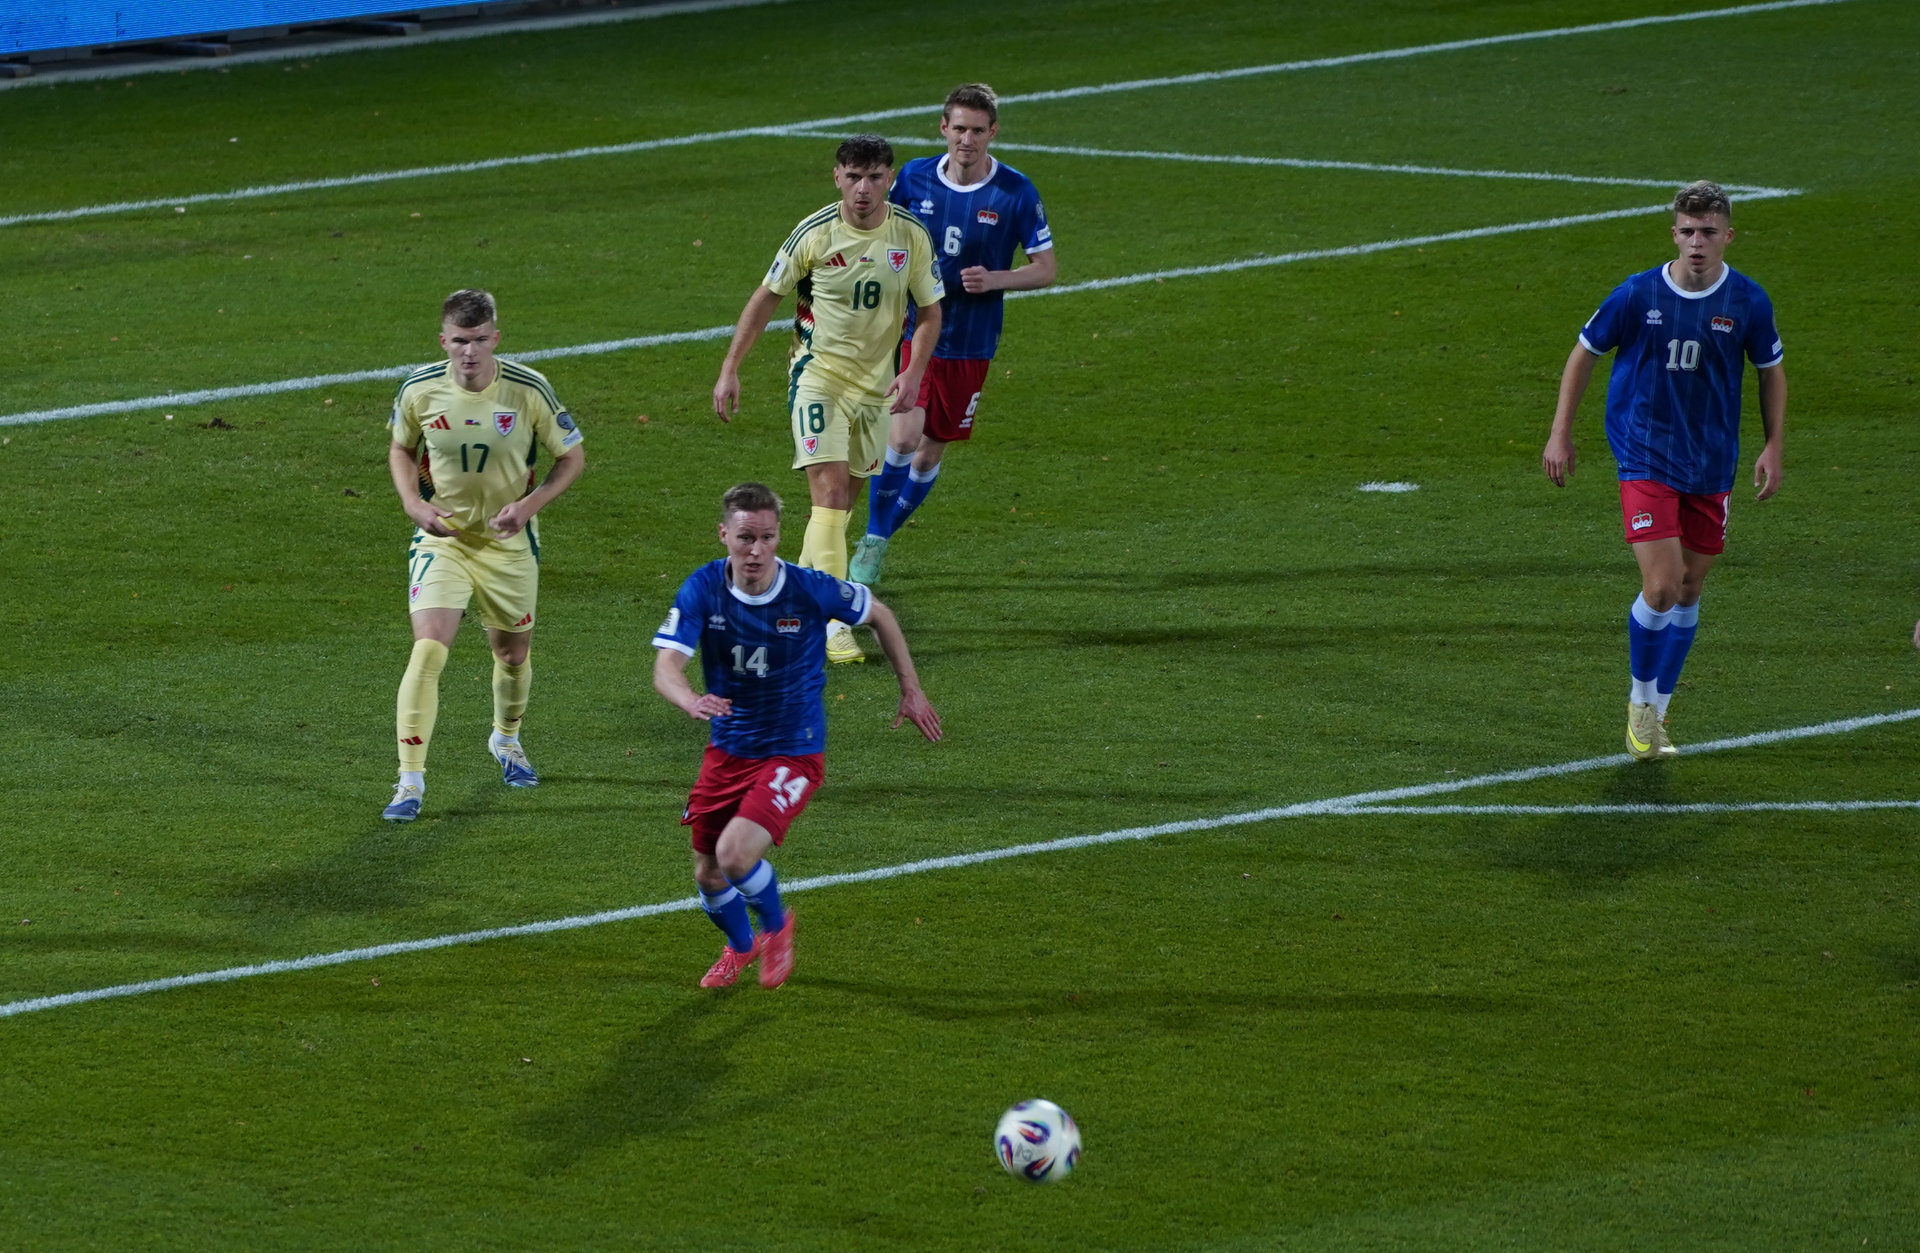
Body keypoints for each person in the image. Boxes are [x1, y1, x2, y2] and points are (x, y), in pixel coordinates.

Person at [652, 482, 943, 988]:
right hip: (728, 749)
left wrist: (910, 689)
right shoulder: (702, 589)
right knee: (707, 873)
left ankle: (777, 925)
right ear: (724, 535)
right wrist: (690, 699)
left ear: (778, 536)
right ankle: (741, 948)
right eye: (745, 538)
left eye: (766, 537)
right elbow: (666, 667)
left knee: (735, 854)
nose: (756, 550)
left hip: (793, 749)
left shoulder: (808, 588)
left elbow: (880, 615)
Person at [1542, 180, 1785, 759]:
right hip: (1645, 454)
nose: (1696, 242)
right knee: (1661, 585)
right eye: (1686, 231)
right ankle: (1639, 705)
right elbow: (1584, 353)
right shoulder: (1637, 294)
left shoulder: (1748, 301)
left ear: (1728, 236)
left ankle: (1659, 712)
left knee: (1691, 587)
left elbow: (1770, 369)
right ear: (1672, 234)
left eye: (1707, 232)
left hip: (1711, 463)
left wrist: (1774, 444)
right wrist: (1560, 433)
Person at [711, 135, 945, 664]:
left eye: (875, 177)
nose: (864, 188)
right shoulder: (814, 234)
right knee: (832, 495)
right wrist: (730, 367)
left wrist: (912, 372)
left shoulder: (910, 235)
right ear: (837, 177)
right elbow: (765, 297)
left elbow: (930, 313)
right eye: (854, 176)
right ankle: (837, 623)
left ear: (890, 178)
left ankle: (789, 595)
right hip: (818, 377)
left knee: (839, 505)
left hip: (877, 387)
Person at [382, 288, 586, 821]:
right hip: (442, 539)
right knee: (428, 650)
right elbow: (401, 448)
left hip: (507, 542)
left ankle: (506, 739)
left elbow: (572, 457)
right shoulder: (419, 390)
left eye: (477, 341)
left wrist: (529, 505)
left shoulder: (528, 390)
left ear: (495, 338)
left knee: (512, 654)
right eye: (458, 342)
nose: (468, 352)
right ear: (443, 341)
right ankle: (409, 781)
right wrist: (411, 504)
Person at [851, 82, 1057, 586]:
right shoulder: (914, 178)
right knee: (901, 433)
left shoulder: (1016, 192)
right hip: (916, 329)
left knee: (930, 450)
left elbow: (1046, 268)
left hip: (972, 339)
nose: (967, 139)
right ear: (943, 128)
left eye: (978, 131)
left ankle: (879, 537)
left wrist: (996, 279)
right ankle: (872, 544)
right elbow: (878, 229)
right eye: (959, 128)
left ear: (993, 133)